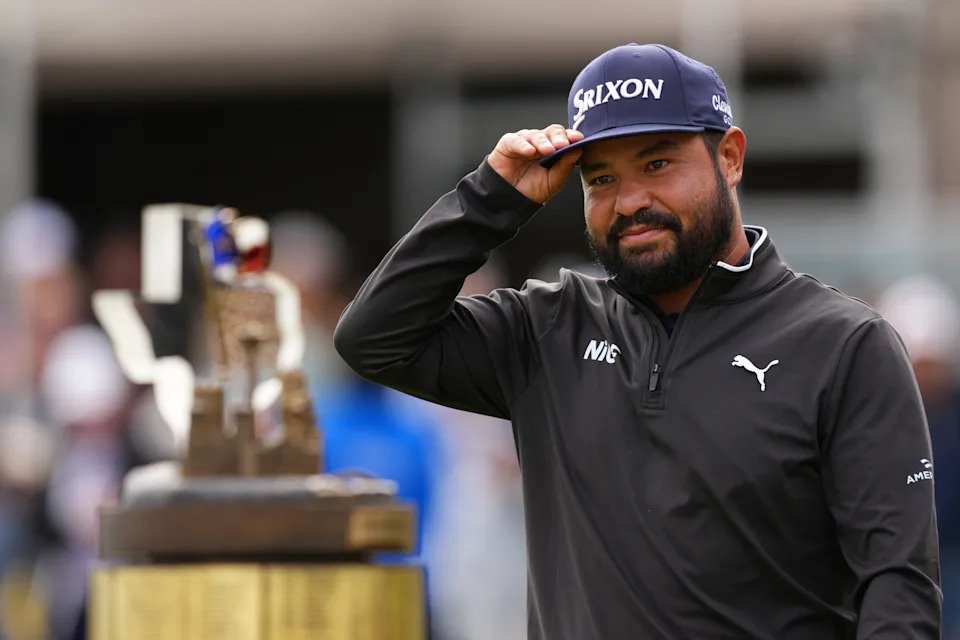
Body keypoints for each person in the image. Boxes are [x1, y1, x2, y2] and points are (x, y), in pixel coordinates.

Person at [334, 43, 940, 638]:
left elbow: (898, 589)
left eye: (657, 165)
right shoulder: (548, 327)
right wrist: (491, 199)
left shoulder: (846, 344)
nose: (630, 202)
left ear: (729, 157)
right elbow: (375, 338)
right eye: (600, 179)